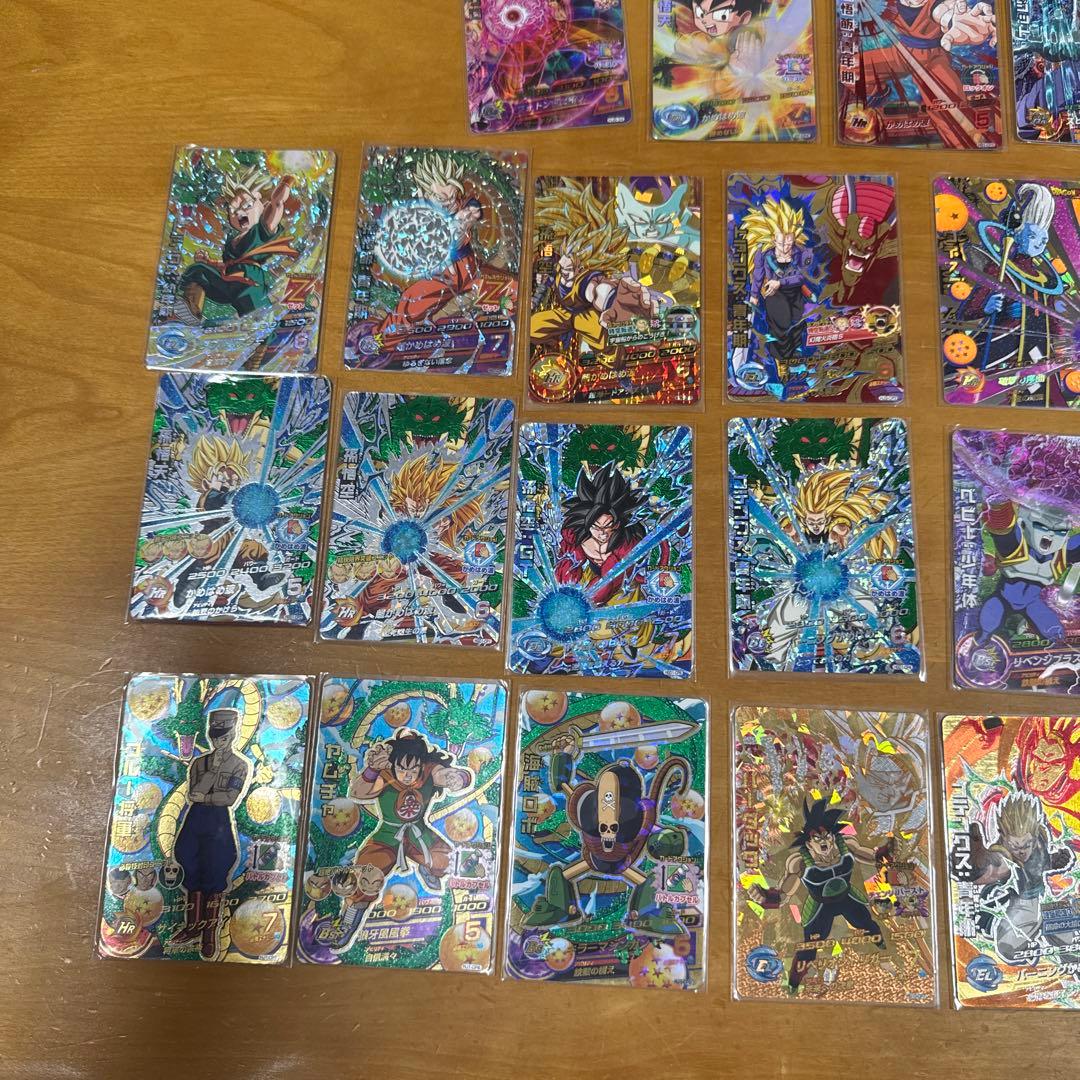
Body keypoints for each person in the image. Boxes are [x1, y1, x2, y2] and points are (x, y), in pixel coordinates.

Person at [172, 706, 250, 959]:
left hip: (219, 821)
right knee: (188, 860)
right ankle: (192, 926)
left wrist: (206, 797)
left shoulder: (239, 765)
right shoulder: (200, 762)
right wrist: (212, 773)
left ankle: (209, 934)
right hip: (196, 818)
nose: (219, 741)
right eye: (215, 737)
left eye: (224, 737)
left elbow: (230, 798)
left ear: (233, 734)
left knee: (217, 867)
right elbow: (192, 793)